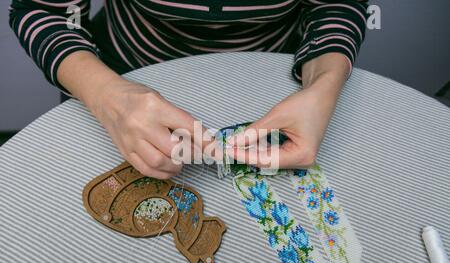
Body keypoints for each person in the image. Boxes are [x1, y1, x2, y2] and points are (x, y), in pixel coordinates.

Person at [9, 0, 368, 179]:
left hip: (277, 92)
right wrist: (106, 97)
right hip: (120, 84)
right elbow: (46, 9)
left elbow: (334, 6)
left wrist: (324, 84)